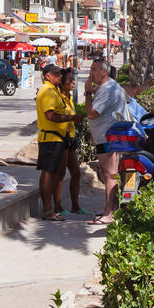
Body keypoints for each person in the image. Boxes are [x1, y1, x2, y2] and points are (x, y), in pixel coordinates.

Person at [84, 57, 133, 224]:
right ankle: (112, 209)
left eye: (93, 69)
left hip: (109, 139)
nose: (90, 73)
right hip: (108, 137)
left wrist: (88, 92)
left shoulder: (108, 89)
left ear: (103, 72)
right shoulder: (109, 87)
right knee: (110, 175)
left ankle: (108, 214)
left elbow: (92, 113)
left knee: (110, 175)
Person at [35, 60, 75, 222]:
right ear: (48, 76)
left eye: (60, 73)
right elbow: (50, 115)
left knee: (54, 173)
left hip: (58, 138)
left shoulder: (54, 91)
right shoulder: (47, 91)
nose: (60, 76)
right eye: (57, 74)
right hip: (49, 138)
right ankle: (47, 209)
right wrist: (73, 118)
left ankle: (52, 208)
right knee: (48, 173)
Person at [56, 65, 86, 216]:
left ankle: (75, 206)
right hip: (61, 140)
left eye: (74, 80)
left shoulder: (69, 98)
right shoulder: (58, 97)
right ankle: (58, 207)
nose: (73, 83)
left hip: (70, 140)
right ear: (62, 82)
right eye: (70, 80)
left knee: (76, 173)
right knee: (60, 174)